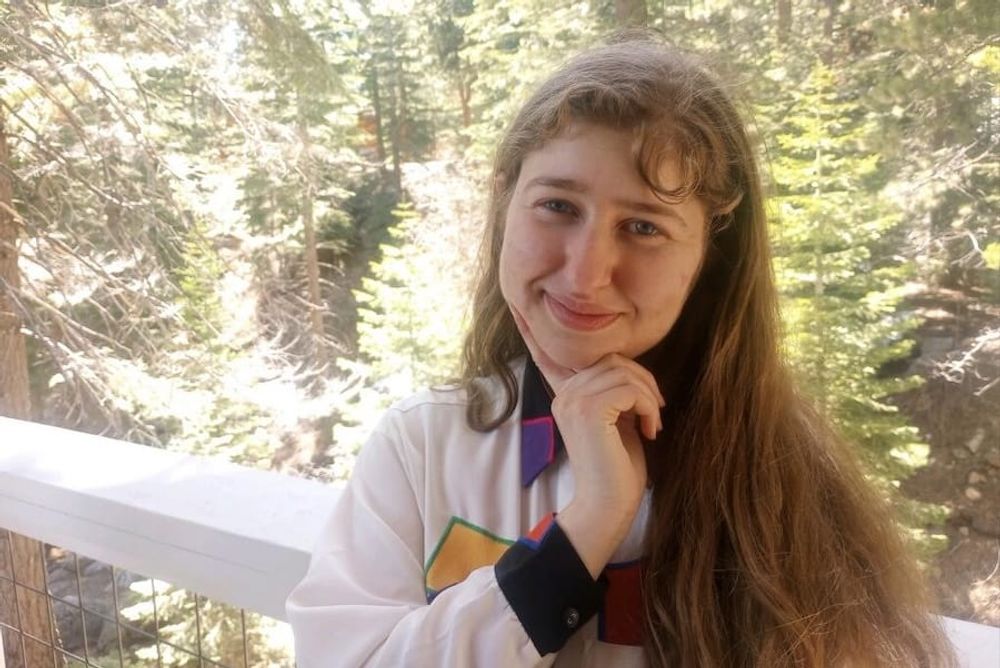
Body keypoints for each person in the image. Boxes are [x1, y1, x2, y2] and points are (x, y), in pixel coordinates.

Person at [286, 33, 956, 667]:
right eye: (557, 206)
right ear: (505, 206)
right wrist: (588, 524)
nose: (585, 273)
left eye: (643, 226)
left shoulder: (781, 476)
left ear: (709, 259)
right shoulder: (426, 443)